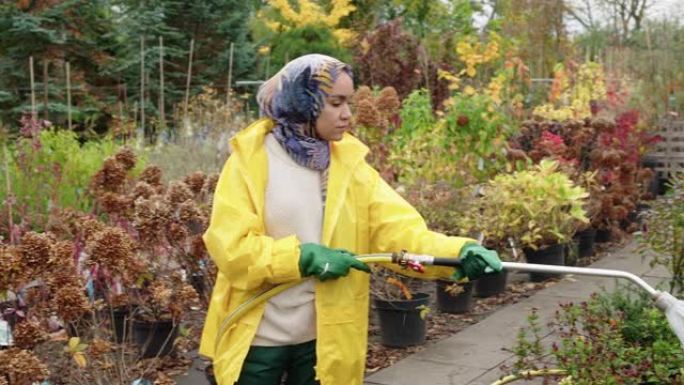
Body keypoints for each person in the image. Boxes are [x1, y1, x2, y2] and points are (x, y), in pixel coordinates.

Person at [199, 54, 502, 385]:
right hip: (257, 340)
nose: (347, 114)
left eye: (349, 102)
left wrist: (458, 253)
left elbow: (399, 232)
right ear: (303, 101)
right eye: (335, 102)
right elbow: (230, 247)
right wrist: (301, 257)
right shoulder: (251, 160)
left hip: (324, 342)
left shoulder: (350, 166)